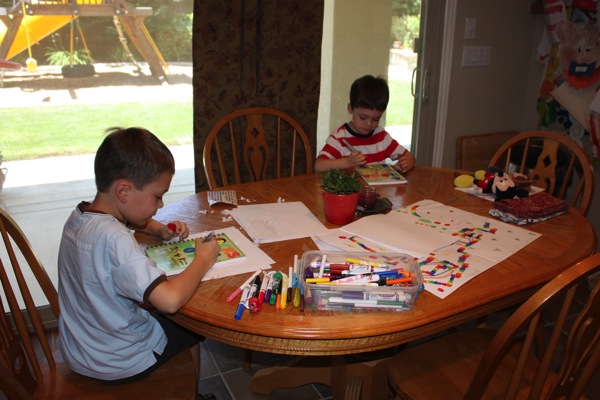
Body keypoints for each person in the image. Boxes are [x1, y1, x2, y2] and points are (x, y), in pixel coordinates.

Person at [57, 127, 220, 397]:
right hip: (120, 360)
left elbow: (122, 219)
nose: (161, 204)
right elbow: (169, 300)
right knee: (189, 328)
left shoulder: (80, 216)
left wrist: (156, 228)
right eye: (158, 196)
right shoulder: (116, 239)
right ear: (124, 191)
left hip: (80, 348)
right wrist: (202, 259)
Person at [315, 74, 416, 173]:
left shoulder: (381, 136)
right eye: (363, 117)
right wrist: (347, 162)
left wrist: (405, 164)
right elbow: (319, 166)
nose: (369, 124)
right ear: (350, 109)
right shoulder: (340, 138)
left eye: (376, 119)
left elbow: (410, 157)